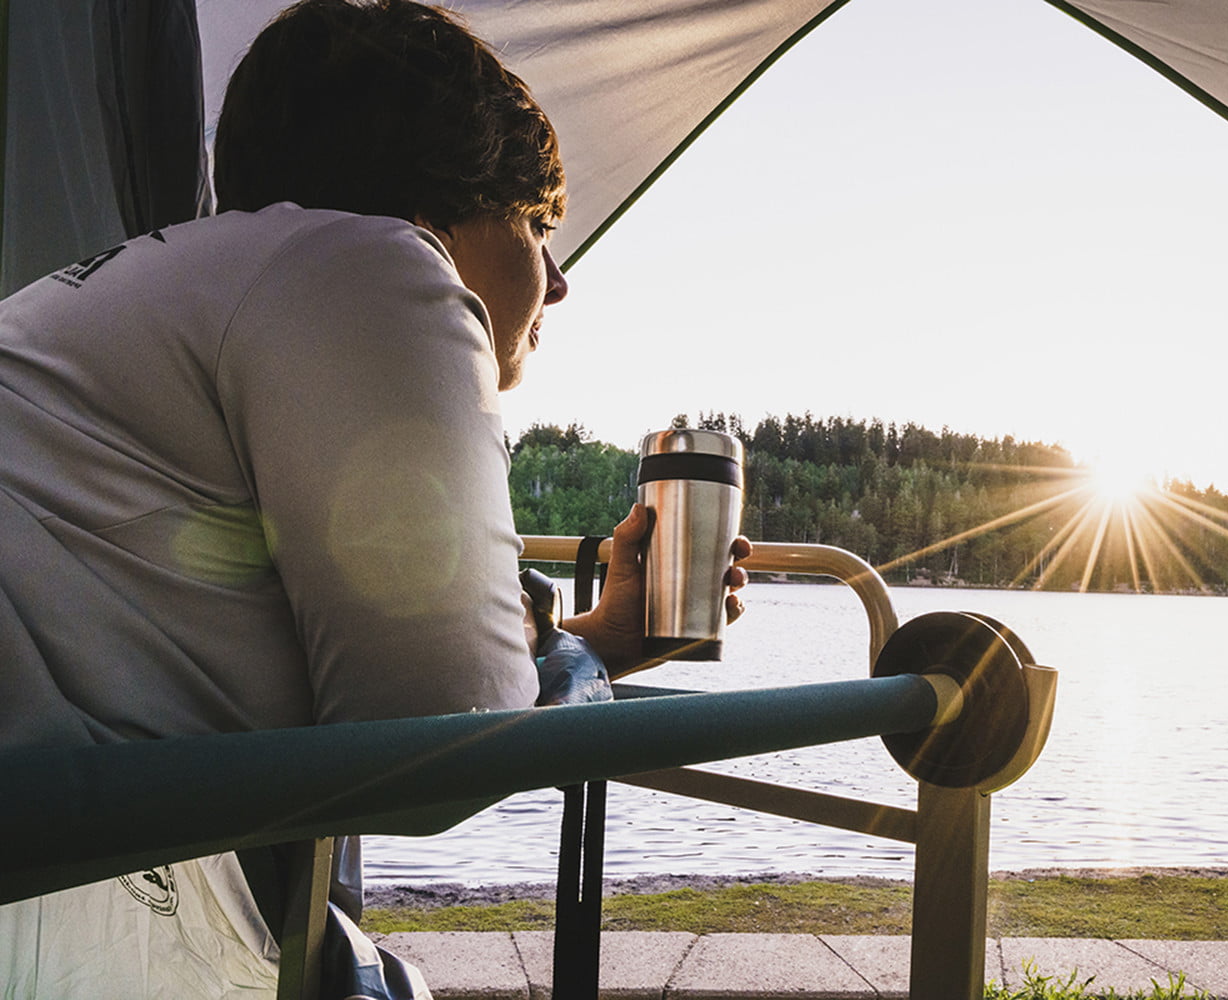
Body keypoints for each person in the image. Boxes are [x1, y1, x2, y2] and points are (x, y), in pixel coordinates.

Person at [0, 1, 747, 996]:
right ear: (448, 205)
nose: (558, 283)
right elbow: (440, 755)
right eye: (537, 225)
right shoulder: (373, 262)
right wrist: (572, 667)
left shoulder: (144, 294)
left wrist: (596, 642)